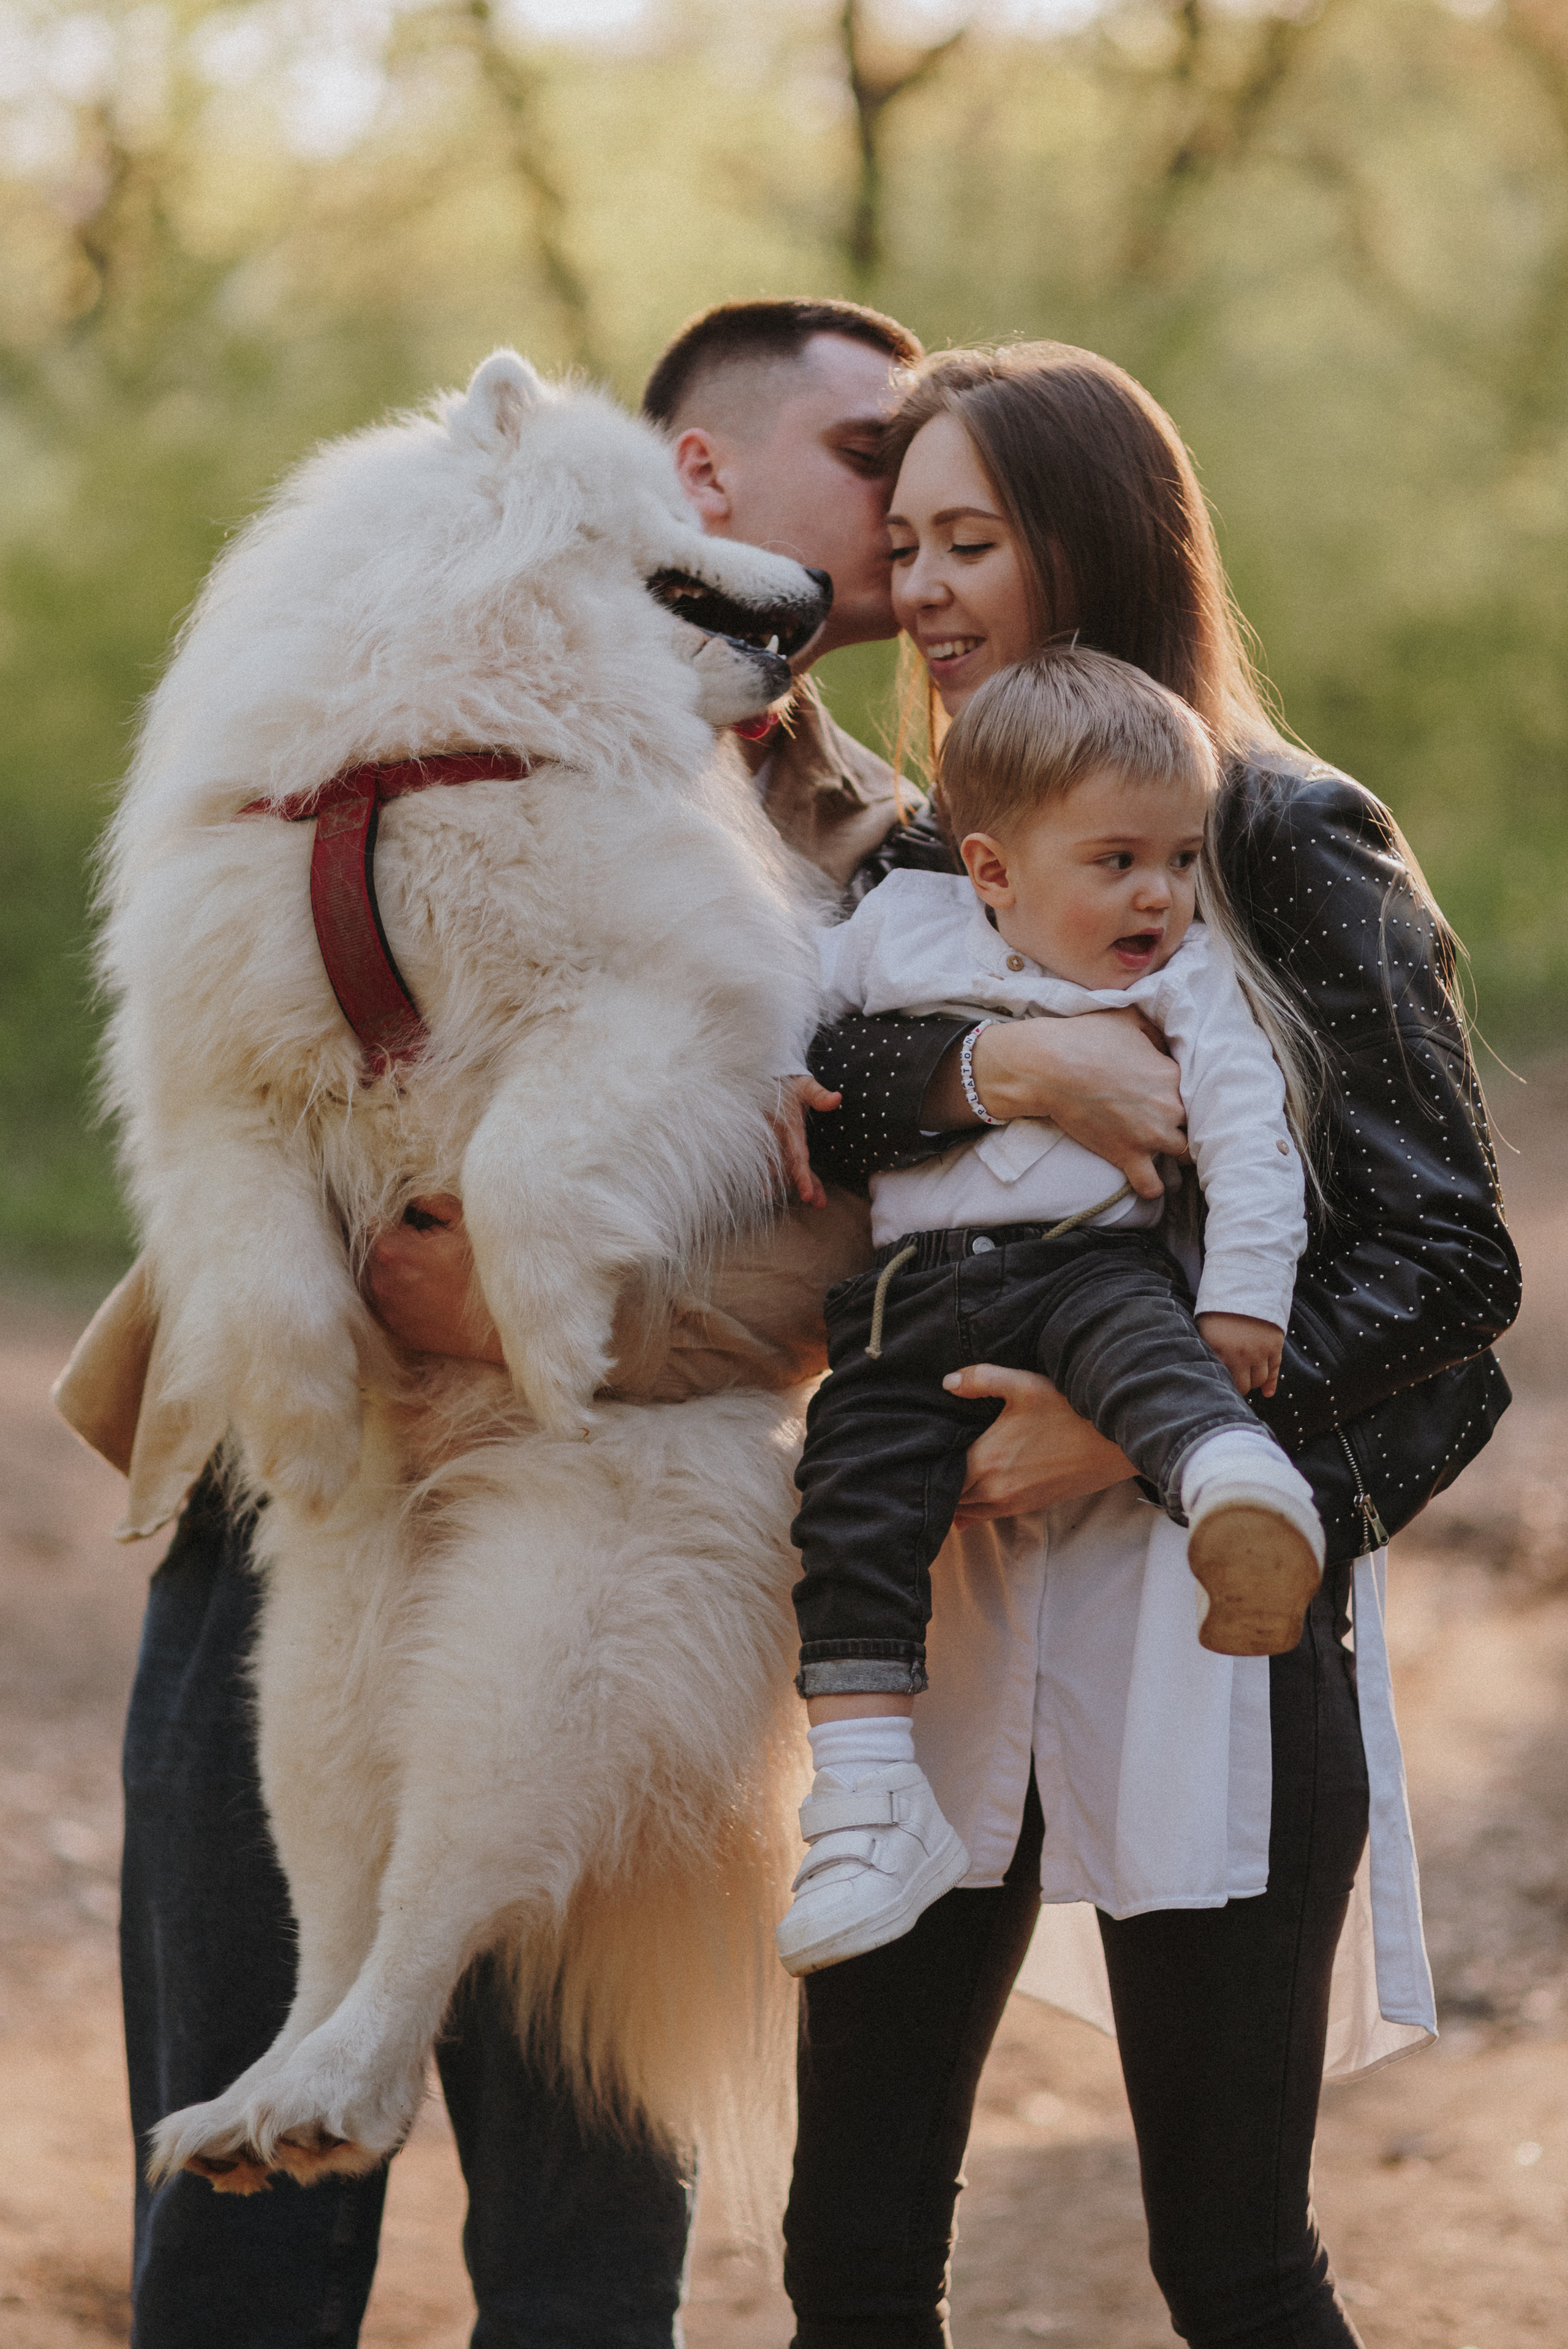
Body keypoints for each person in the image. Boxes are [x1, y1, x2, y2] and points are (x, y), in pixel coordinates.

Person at [53, 295, 929, 2349]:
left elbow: (878, 1250)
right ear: (698, 476)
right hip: (286, 1492)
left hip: (595, 1506)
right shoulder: (370, 657)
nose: (910, 512)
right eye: (877, 458)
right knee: (240, 2178)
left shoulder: (887, 849)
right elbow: (218, 1047)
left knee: (583, 2226)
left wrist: (572, 1316)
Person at [778, 342, 1521, 2348]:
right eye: (904, 544)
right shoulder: (935, 853)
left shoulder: (1282, 833)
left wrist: (1127, 1434)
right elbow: (827, 1098)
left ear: (1088, 541)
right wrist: (997, 1060)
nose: (919, 592)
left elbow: (1454, 1264)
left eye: (971, 541)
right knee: (848, 2261)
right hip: (938, 1602)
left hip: (1219, 1612)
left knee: (1234, 2262)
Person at [777, 645, 1327, 1978]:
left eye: (1181, 860)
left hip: (1090, 1262)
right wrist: (767, 1077)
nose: (1160, 895)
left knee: (1154, 1361)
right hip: (915, 1299)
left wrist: (1245, 1299)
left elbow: (1252, 1133)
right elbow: (793, 997)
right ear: (990, 871)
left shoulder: (1181, 978)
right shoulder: (900, 929)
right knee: (846, 1492)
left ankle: (1240, 1495)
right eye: (1118, 862)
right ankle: (861, 1800)